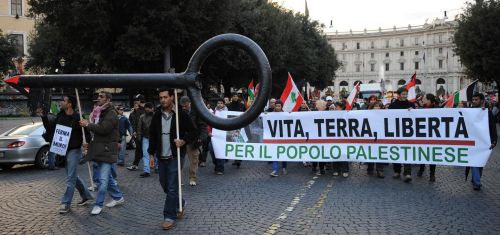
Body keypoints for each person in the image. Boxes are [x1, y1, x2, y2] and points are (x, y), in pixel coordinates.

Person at [147, 88, 195, 230]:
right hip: (161, 156)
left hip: (175, 156)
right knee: (164, 185)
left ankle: (169, 216)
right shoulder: (157, 115)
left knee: (173, 187)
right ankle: (181, 202)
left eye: (165, 97)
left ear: (171, 98)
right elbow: (152, 135)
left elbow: (193, 131)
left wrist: (183, 141)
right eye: (161, 97)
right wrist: (150, 154)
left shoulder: (181, 114)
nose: (162, 100)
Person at [39, 95, 93, 214]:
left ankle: (66, 203)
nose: (60, 102)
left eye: (63, 100)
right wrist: (43, 117)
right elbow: (51, 129)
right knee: (72, 175)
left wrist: (87, 144)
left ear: (69, 104)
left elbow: (87, 134)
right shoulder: (60, 115)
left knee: (70, 177)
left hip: (74, 150)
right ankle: (86, 195)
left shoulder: (78, 117)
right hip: (62, 149)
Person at [80, 91, 125, 215]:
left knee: (103, 179)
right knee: (108, 178)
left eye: (101, 96)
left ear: (108, 100)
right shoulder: (100, 112)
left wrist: (88, 124)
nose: (98, 98)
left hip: (107, 150)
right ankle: (118, 197)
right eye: (98, 96)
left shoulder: (111, 113)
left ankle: (98, 204)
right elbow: (96, 133)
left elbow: (103, 129)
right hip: (100, 149)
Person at [470, 93, 497, 190]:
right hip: (471, 141)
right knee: (474, 161)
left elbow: (492, 127)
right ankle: (477, 182)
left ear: (481, 100)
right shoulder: (469, 111)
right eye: (473, 99)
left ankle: (475, 179)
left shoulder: (487, 112)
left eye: (476, 99)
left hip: (483, 141)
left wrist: (494, 140)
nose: (474, 101)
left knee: (480, 162)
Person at [389, 87, 416, 183]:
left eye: (406, 94)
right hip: (395, 132)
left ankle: (407, 173)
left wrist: (412, 111)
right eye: (403, 94)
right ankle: (397, 171)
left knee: (407, 152)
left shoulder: (411, 105)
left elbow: (416, 117)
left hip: (408, 133)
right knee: (396, 152)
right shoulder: (392, 105)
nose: (405, 96)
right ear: (399, 95)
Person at [179, 96, 208, 186]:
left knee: (194, 160)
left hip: (193, 139)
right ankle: (179, 180)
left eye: (185, 106)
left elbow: (203, 126)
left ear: (189, 103)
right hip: (181, 139)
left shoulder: (197, 112)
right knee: (179, 161)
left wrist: (201, 137)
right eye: (182, 106)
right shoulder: (178, 112)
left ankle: (192, 178)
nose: (184, 108)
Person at [417, 94, 438, 182]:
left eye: (424, 99)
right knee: (423, 153)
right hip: (423, 135)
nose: (423, 100)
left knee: (432, 155)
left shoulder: (437, 109)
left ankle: (432, 174)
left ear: (429, 100)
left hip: (433, 136)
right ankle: (421, 169)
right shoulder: (421, 109)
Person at [366, 102, 386, 178]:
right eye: (375, 106)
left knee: (380, 153)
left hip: (381, 136)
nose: (377, 108)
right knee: (371, 152)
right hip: (370, 136)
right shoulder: (367, 114)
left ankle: (380, 170)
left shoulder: (384, 114)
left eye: (379, 106)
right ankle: (370, 167)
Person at [227, 93, 246, 168]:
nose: (235, 97)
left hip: (240, 126)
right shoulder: (228, 106)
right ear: (232, 97)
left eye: (236, 96)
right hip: (231, 125)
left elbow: (246, 114)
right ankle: (235, 158)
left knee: (239, 142)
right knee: (233, 142)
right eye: (234, 96)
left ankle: (239, 159)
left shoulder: (242, 105)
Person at [127, 94, 145, 171]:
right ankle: (136, 164)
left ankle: (136, 164)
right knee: (139, 149)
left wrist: (136, 131)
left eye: (137, 100)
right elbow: (132, 121)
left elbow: (138, 123)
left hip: (143, 134)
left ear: (140, 101)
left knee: (145, 150)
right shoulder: (136, 111)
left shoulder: (143, 110)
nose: (136, 102)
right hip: (140, 134)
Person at [209, 98, 228, 175]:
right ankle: (216, 164)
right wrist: (209, 132)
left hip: (223, 137)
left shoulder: (228, 113)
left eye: (221, 103)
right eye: (218, 103)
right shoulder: (213, 113)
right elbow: (209, 123)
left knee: (221, 152)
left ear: (224, 104)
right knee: (212, 151)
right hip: (214, 136)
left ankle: (220, 168)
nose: (219, 104)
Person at [270, 100, 287, 177]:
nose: (277, 107)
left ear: (281, 107)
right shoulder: (271, 114)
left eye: (279, 106)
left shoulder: (285, 114)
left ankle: (284, 167)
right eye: (276, 106)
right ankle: (275, 169)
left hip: (283, 137)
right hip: (274, 137)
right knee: (275, 153)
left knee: (283, 152)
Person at [137, 102, 155, 177]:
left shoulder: (155, 116)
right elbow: (139, 128)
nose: (147, 109)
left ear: (152, 108)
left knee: (156, 154)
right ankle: (146, 170)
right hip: (145, 137)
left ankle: (157, 167)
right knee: (145, 154)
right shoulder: (142, 117)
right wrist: (139, 137)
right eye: (146, 108)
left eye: (148, 108)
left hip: (154, 138)